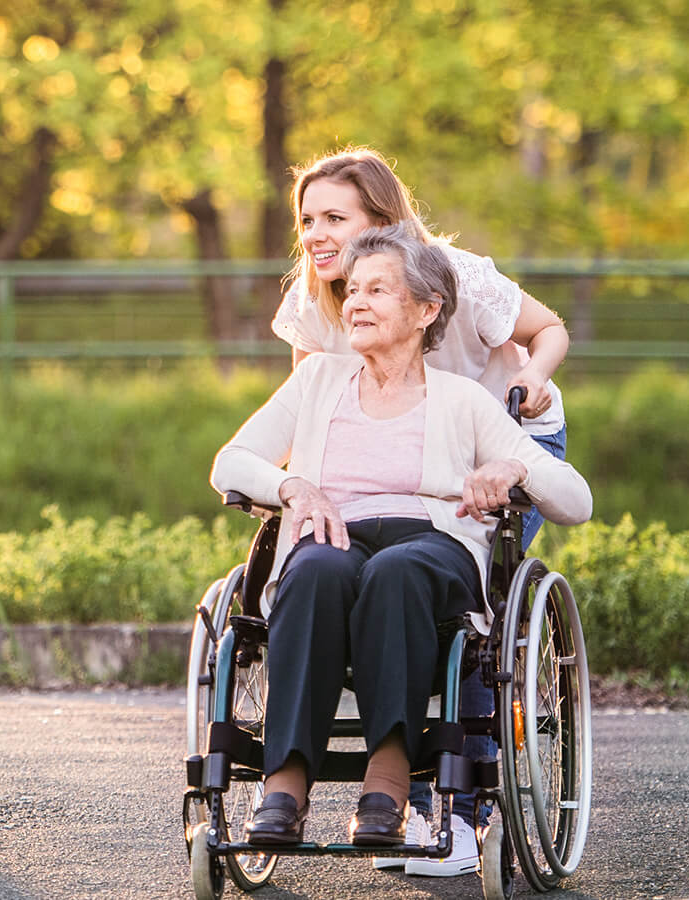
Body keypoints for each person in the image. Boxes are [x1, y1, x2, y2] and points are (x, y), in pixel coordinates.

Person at [208, 224, 591, 853]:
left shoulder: (464, 399)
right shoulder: (317, 381)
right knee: (312, 571)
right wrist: (294, 487)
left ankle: (385, 779)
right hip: (334, 533)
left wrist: (515, 468)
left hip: (431, 546)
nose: (355, 301)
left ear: (426, 310)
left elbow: (576, 499)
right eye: (352, 289)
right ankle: (286, 780)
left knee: (398, 571)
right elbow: (231, 461)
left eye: (378, 290)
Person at [273, 147, 570, 874]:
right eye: (307, 218)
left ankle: (463, 811)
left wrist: (530, 375)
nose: (315, 232)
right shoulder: (317, 296)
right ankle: (326, 777)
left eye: (334, 217)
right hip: (395, 460)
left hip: (502, 436)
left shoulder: (455, 275)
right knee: (336, 570)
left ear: (383, 218)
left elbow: (550, 327)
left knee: (463, 616)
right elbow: (313, 416)